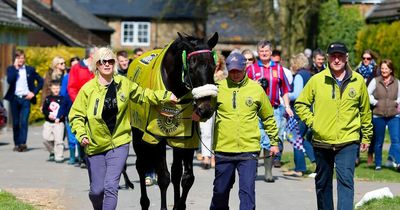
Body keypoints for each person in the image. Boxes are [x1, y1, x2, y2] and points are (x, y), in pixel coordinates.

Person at [69, 47, 176, 210]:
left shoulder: (124, 84)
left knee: (111, 187)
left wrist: (166, 96)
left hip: (119, 143)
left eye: (110, 61)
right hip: (94, 144)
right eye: (102, 61)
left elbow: (143, 94)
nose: (107, 64)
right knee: (97, 191)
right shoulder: (88, 89)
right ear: (96, 65)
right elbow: (76, 116)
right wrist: (82, 134)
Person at [295, 42, 373, 210]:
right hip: (322, 140)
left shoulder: (358, 81)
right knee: (323, 183)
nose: (337, 60)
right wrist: (313, 122)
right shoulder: (317, 80)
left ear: (346, 57)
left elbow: (365, 110)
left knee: (346, 181)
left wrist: (366, 135)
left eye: (340, 56)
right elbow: (300, 104)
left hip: (348, 140)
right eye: (333, 56)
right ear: (328, 58)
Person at [210, 52, 279, 210]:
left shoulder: (256, 90)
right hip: (223, 149)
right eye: (232, 71)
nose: (235, 74)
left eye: (238, 71)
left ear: (245, 69)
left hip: (248, 151)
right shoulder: (218, 88)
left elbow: (268, 118)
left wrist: (274, 142)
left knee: (247, 193)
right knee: (220, 192)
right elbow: (205, 111)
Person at [246, 40, 293, 176]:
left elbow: (284, 90)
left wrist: (288, 106)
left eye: (266, 51)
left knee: (271, 139)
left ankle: (268, 171)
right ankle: (253, 168)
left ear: (271, 52)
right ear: (258, 53)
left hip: (274, 109)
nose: (264, 53)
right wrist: (253, 85)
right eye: (261, 51)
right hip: (255, 110)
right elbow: (244, 89)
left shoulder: (278, 69)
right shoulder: (251, 69)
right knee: (256, 139)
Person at [5, 49, 44, 152]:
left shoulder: (30, 69)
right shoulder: (11, 69)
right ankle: (17, 143)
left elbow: (41, 81)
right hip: (15, 99)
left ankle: (23, 143)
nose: (21, 60)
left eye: (22, 58)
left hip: (26, 98)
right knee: (16, 123)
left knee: (24, 121)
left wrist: (33, 93)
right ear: (15, 59)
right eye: (18, 58)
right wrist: (16, 68)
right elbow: (10, 80)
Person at [283, 53, 315, 177]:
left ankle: (299, 168)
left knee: (295, 138)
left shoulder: (299, 76)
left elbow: (297, 94)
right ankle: (315, 160)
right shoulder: (309, 75)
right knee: (301, 138)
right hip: (309, 111)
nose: (291, 65)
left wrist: (285, 95)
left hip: (299, 112)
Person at [367, 59, 400, 171]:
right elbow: (367, 94)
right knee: (378, 141)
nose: (384, 70)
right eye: (382, 68)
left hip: (393, 115)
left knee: (396, 140)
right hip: (378, 115)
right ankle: (378, 164)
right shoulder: (375, 81)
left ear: (390, 70)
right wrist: (375, 102)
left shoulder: (397, 82)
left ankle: (398, 161)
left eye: (386, 68)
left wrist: (397, 102)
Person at [68, 47, 96, 168]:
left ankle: (94, 157)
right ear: (91, 56)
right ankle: (83, 158)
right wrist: (79, 103)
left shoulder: (97, 68)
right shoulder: (76, 68)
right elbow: (72, 87)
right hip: (82, 106)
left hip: (96, 105)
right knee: (82, 130)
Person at [199, 52, 226, 169]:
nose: (215, 65)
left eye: (217, 63)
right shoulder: (202, 74)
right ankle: (206, 157)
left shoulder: (223, 75)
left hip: (218, 106)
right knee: (205, 132)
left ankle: (214, 157)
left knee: (216, 133)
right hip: (205, 106)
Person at [355, 49, 378, 166]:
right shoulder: (358, 71)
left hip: (372, 104)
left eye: (368, 58)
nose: (365, 61)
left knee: (371, 130)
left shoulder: (377, 72)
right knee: (357, 129)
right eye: (364, 58)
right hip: (359, 104)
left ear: (372, 59)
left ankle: (370, 154)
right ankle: (356, 156)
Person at [61, 57, 80, 165]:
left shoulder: (87, 76)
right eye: (73, 65)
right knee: (72, 132)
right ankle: (73, 156)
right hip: (70, 109)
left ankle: (82, 156)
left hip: (84, 109)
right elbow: (63, 94)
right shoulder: (67, 77)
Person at [42, 80, 66, 163]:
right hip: (48, 122)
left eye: (57, 88)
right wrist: (48, 114)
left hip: (58, 122)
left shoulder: (63, 99)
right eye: (54, 88)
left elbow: (64, 110)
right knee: (46, 139)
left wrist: (59, 117)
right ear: (51, 88)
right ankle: (52, 151)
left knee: (59, 140)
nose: (56, 90)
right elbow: (44, 109)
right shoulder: (48, 98)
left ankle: (59, 156)